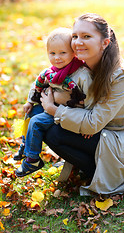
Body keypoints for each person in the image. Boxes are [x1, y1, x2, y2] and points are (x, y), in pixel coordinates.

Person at [18, 13, 124, 197]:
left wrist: (53, 109)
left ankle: (99, 170)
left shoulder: (122, 75)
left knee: (52, 130)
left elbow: (93, 124)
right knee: (38, 112)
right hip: (96, 128)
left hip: (122, 138)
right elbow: (49, 79)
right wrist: (35, 100)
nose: (78, 42)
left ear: (104, 43)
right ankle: (47, 155)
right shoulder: (79, 64)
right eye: (75, 36)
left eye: (86, 37)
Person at [14, 27, 92, 177]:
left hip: (67, 112)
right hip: (52, 107)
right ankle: (25, 145)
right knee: (31, 113)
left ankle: (32, 160)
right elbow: (37, 84)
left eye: (63, 53)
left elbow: (90, 99)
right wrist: (30, 101)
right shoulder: (51, 72)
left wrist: (88, 124)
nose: (57, 58)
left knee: (36, 122)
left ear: (73, 52)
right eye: (52, 53)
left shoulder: (81, 74)